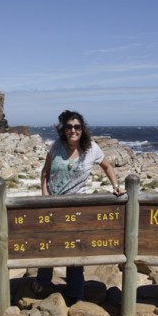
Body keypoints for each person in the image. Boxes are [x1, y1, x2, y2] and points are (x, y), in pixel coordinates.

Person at [32, 110, 125, 303]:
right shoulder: (56, 146)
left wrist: (116, 186)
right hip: (53, 205)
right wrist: (45, 197)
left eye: (77, 127)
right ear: (63, 129)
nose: (73, 130)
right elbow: (45, 172)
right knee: (49, 244)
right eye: (69, 127)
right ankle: (42, 281)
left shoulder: (92, 149)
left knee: (74, 249)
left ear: (82, 129)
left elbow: (107, 166)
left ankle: (75, 293)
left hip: (76, 206)